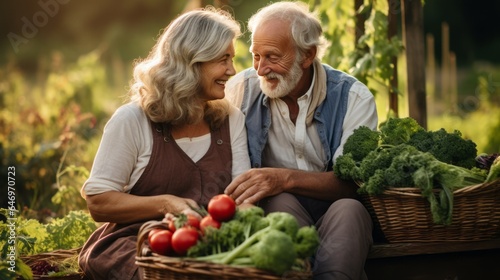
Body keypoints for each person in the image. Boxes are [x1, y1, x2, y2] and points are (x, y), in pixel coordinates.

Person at [78, 7, 250, 280]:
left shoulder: (231, 119)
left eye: (232, 58)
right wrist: (166, 204)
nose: (232, 70)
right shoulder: (133, 120)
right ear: (191, 61)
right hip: (137, 245)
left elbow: (241, 200)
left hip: (208, 247)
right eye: (223, 59)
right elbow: (99, 203)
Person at [224, 1, 378, 279]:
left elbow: (353, 185)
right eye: (255, 56)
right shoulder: (239, 91)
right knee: (278, 201)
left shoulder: (353, 97)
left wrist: (282, 178)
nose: (260, 69)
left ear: (307, 55)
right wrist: (277, 186)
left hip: (336, 206)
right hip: (278, 209)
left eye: (272, 56)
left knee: (351, 210)